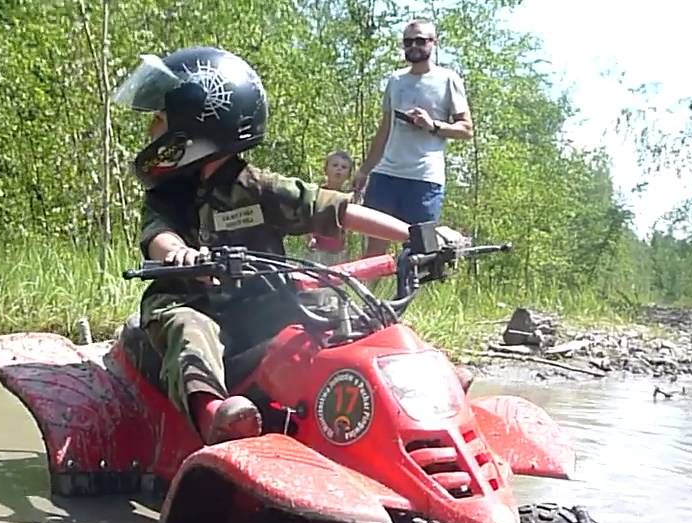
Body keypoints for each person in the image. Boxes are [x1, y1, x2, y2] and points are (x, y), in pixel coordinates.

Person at [116, 46, 440, 445]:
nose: (151, 129)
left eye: (159, 119)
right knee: (188, 330)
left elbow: (335, 209)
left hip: (260, 305)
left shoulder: (259, 186)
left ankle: (415, 389)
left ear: (195, 127)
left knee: (343, 306)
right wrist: (180, 254)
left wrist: (416, 235)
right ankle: (214, 415)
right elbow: (159, 237)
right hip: (190, 301)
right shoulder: (167, 195)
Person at [354, 18, 473, 257]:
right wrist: (364, 171)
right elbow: (384, 130)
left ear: (434, 43)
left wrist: (432, 125)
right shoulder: (396, 80)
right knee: (374, 249)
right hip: (386, 175)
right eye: (408, 42)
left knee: (421, 251)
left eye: (420, 40)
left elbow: (467, 129)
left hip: (424, 179)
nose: (414, 46)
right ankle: (365, 295)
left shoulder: (448, 80)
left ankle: (406, 295)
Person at [306, 149, 355, 265]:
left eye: (344, 167)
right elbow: (309, 216)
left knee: (335, 280)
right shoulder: (318, 193)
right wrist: (309, 238)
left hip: (339, 250)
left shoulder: (348, 198)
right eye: (335, 165)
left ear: (349, 174)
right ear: (326, 170)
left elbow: (351, 227)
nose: (339, 169)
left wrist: (350, 246)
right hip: (317, 246)